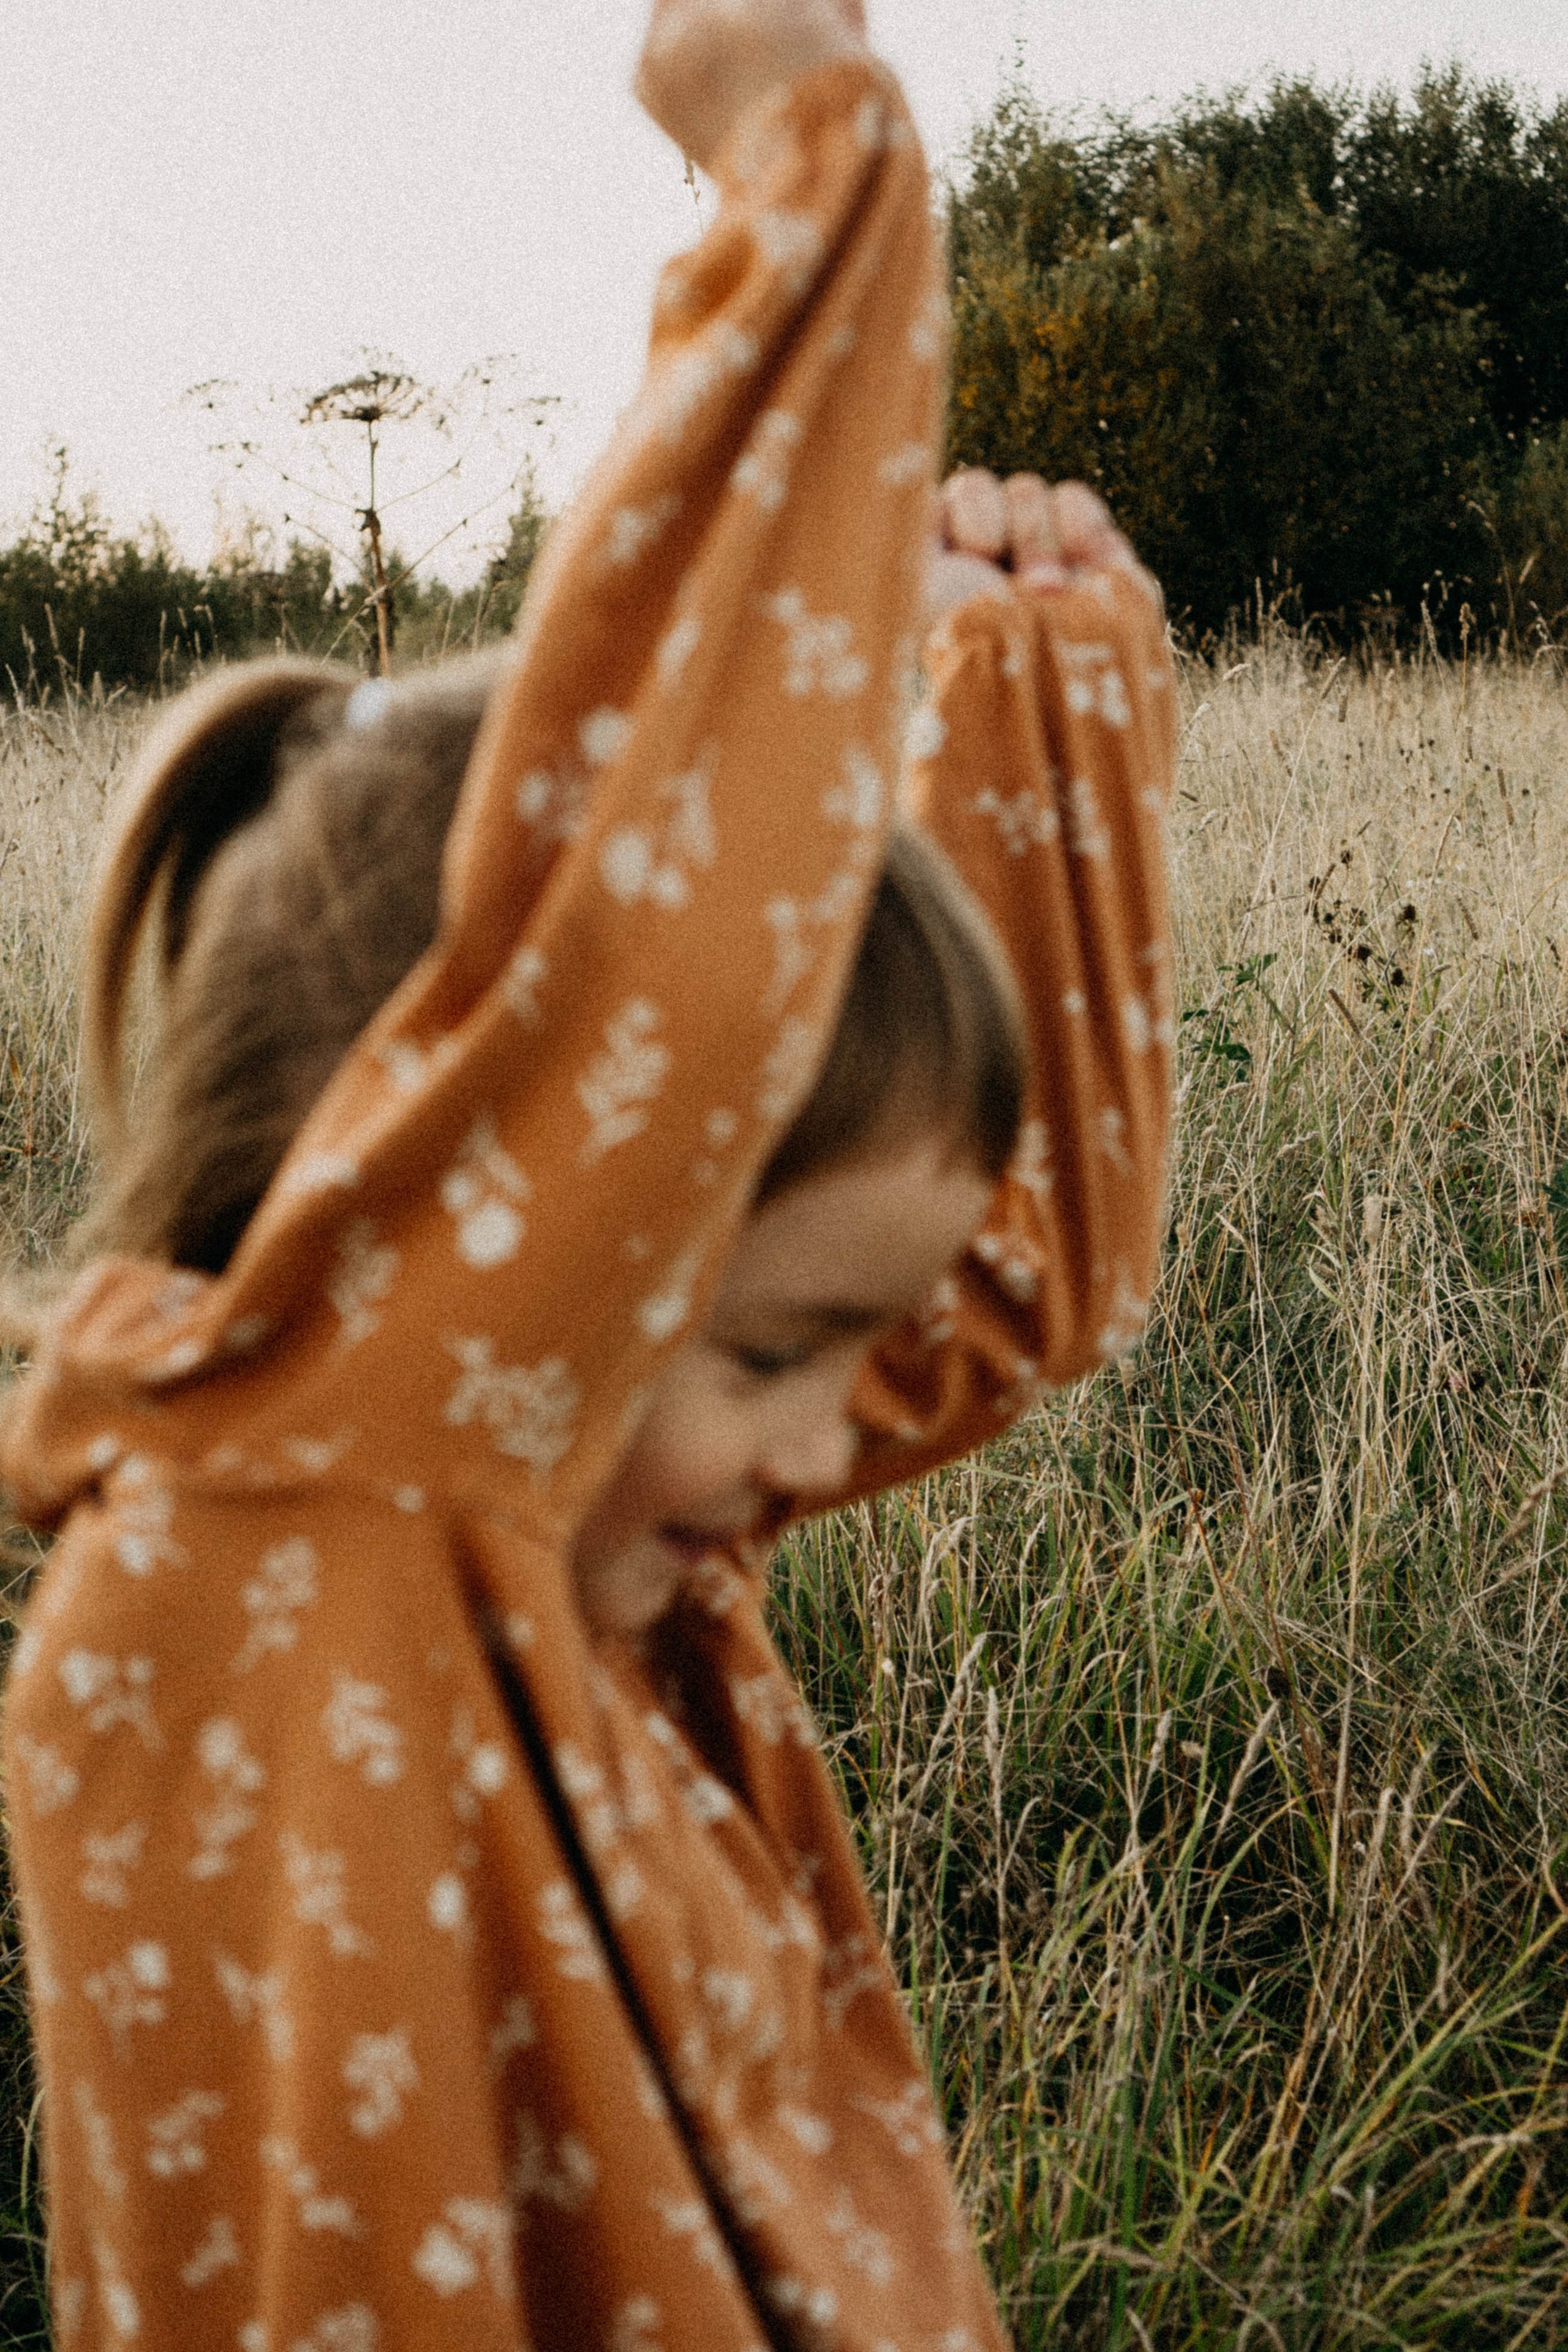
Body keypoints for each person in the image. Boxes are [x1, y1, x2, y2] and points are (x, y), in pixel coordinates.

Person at [0, 1, 1175, 2344]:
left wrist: (1038, 701)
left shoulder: (543, 1560)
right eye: (770, 1345)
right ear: (522, 1224)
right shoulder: (307, 1535)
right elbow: (667, 954)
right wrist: (805, 162)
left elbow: (1013, 1285)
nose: (851, 1434)